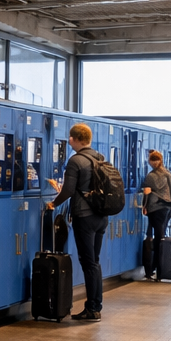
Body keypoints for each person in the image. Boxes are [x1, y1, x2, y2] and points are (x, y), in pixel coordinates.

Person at [47, 123, 107, 321]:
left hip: (84, 216)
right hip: (101, 216)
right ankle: (96, 305)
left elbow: (68, 190)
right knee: (94, 262)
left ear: (74, 139)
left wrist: (54, 203)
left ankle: (92, 309)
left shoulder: (75, 160)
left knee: (88, 263)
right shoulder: (100, 158)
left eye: (70, 138)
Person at [139, 149, 171, 281]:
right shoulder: (168, 174)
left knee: (154, 238)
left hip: (154, 209)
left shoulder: (151, 176)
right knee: (160, 237)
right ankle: (159, 268)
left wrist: (144, 206)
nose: (153, 163)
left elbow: (146, 193)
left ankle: (152, 269)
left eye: (153, 160)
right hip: (167, 209)